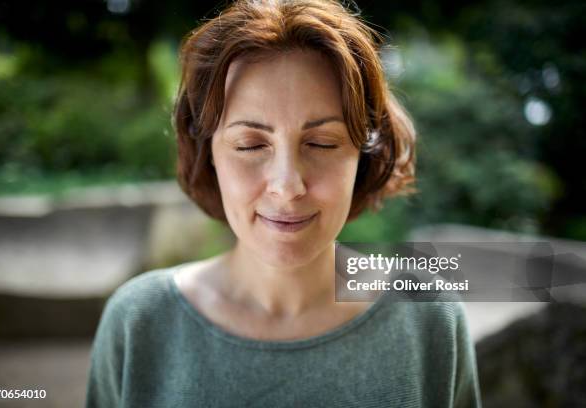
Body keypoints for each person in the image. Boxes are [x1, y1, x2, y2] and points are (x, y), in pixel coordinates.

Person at [85, 0, 481, 406]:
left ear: (362, 157)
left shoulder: (426, 316)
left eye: (321, 143)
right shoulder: (140, 321)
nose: (287, 185)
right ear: (209, 155)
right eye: (251, 145)